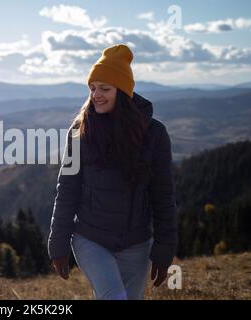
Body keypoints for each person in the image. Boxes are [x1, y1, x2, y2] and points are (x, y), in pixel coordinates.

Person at [47, 44, 178, 300]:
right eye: (92, 88)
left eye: (104, 89)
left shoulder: (154, 134)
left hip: (137, 243)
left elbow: (163, 194)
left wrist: (164, 248)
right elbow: (67, 189)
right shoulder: (79, 131)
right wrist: (58, 243)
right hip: (90, 239)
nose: (96, 95)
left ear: (124, 91)